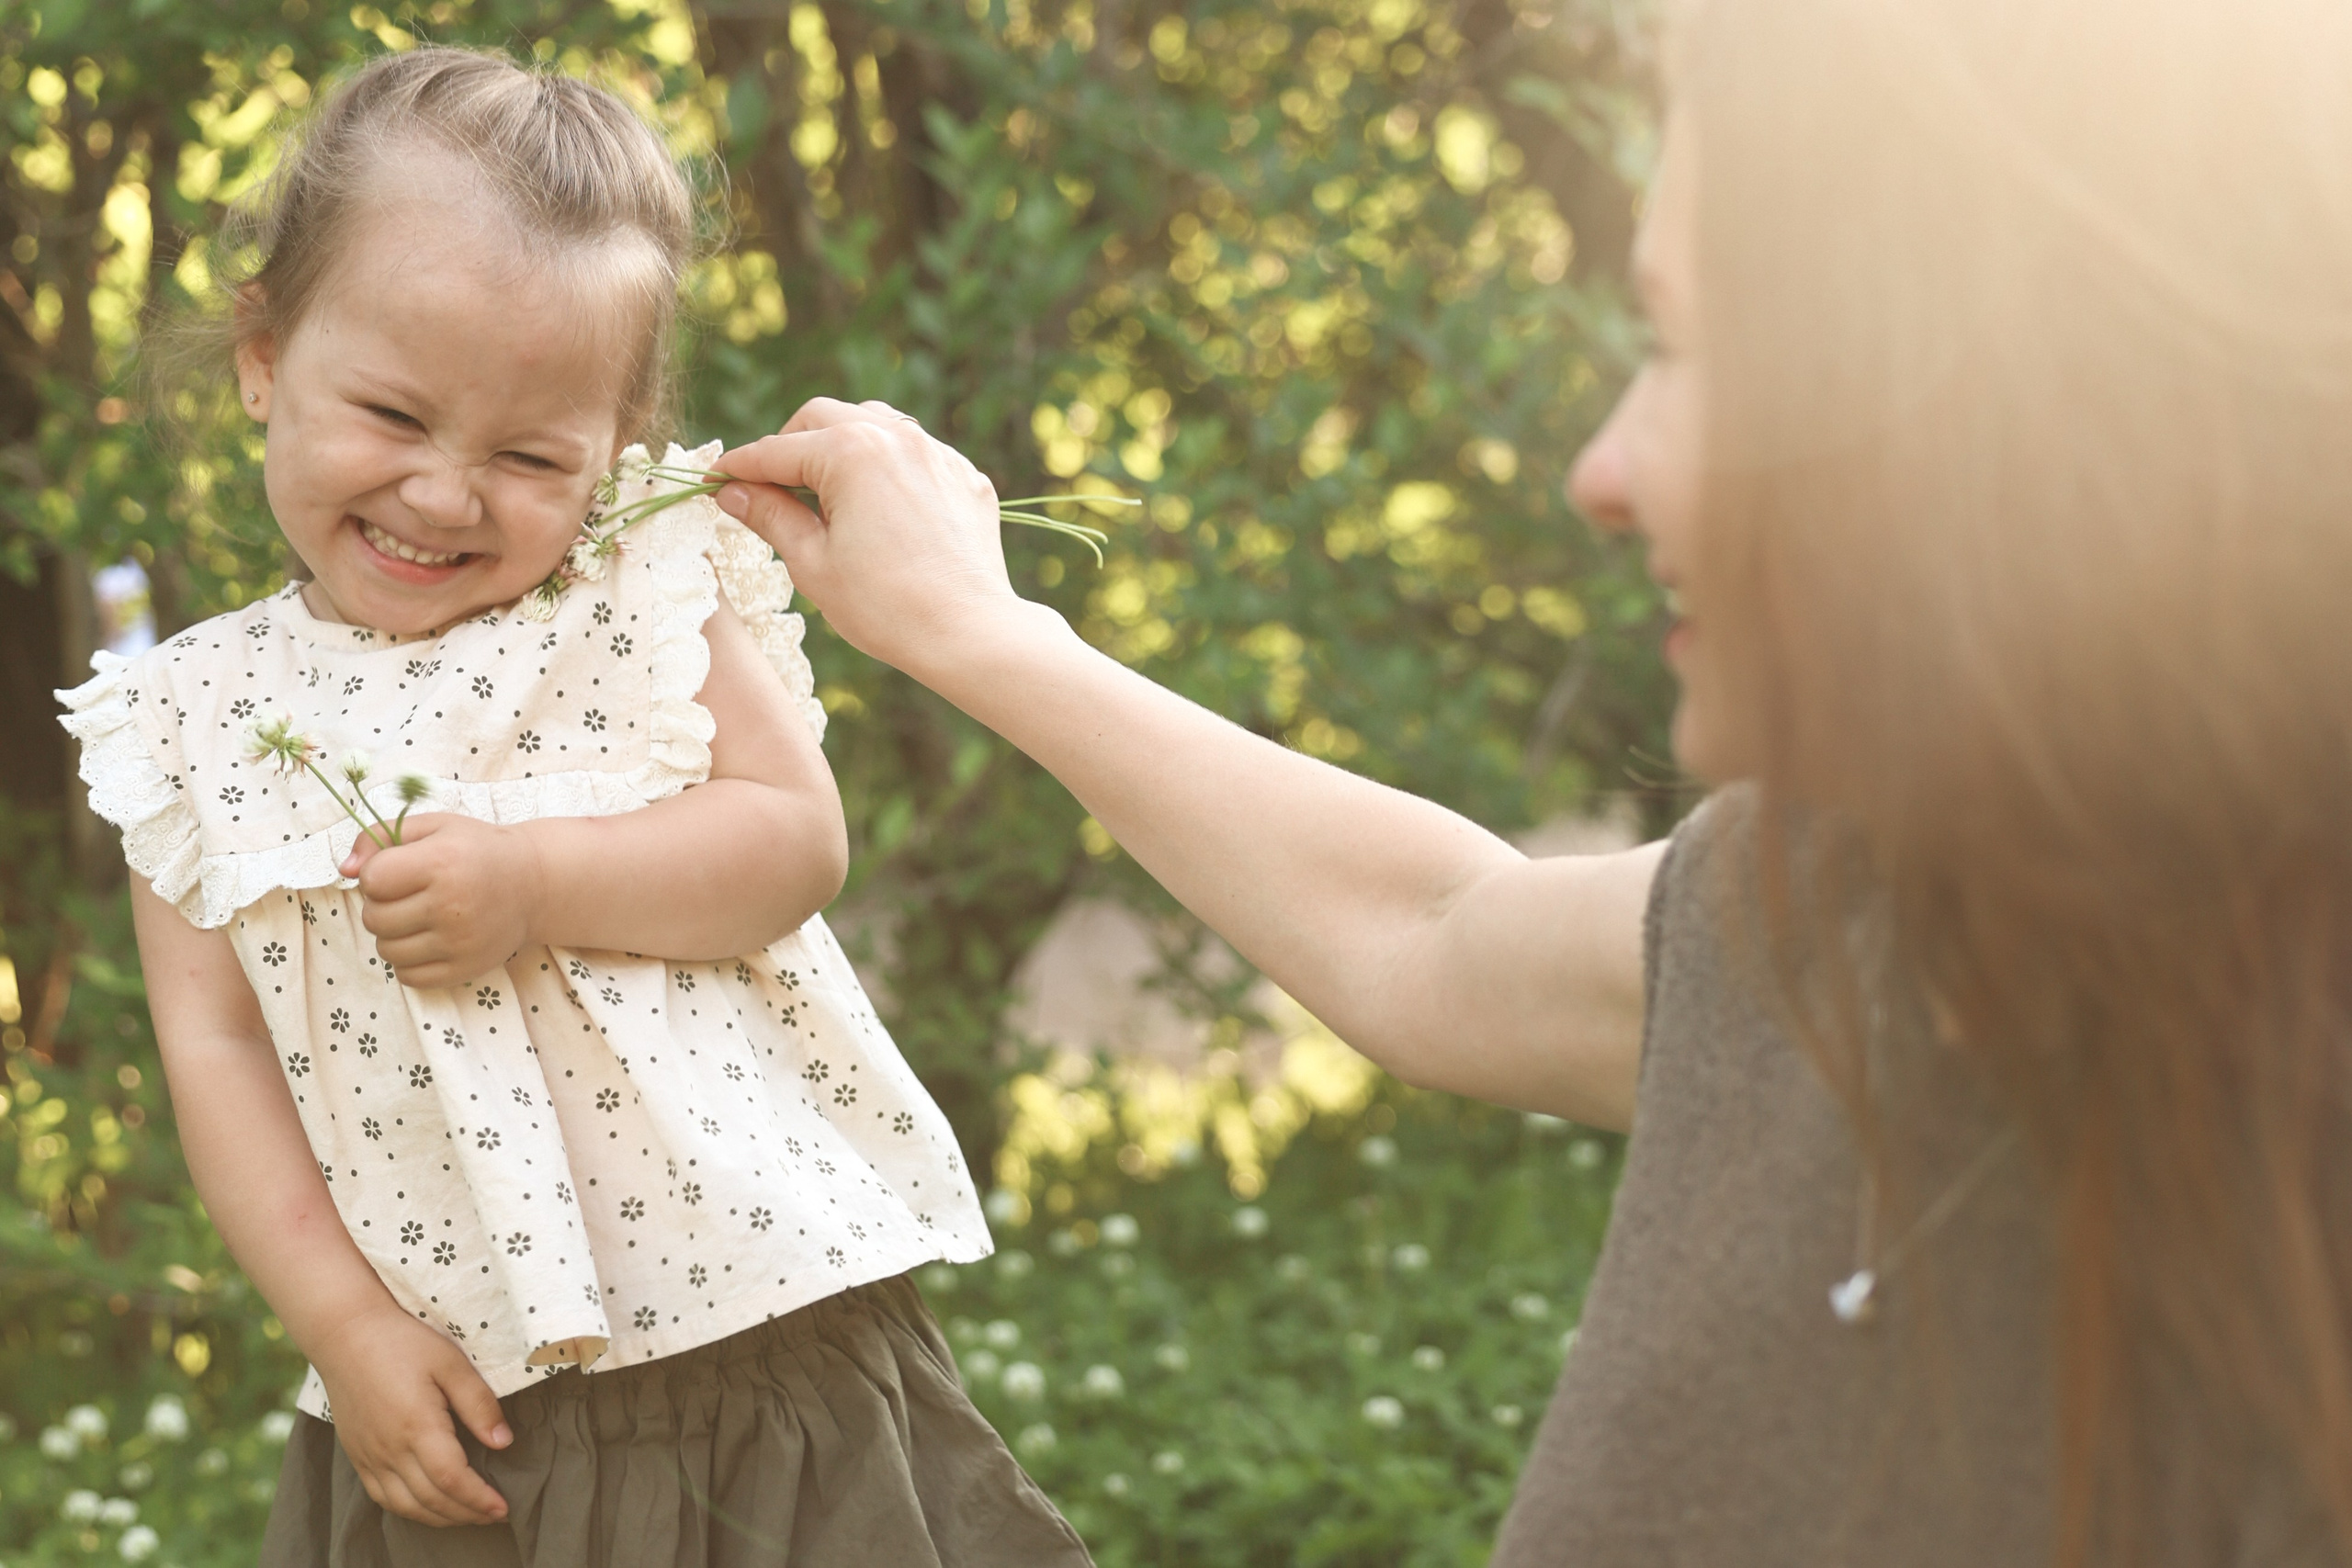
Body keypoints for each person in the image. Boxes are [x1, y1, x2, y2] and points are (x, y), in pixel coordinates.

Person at [707, 0, 2352, 1561]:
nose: (1603, 468)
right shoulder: (1819, 905)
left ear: (2033, 416)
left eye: (1698, 348)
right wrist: (984, 636)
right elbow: (1435, 928)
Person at [55, 47, 1091, 1568]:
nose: (447, 495)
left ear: (613, 451)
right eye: (395, 416)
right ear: (264, 355)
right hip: (464, 1404)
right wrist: (339, 1324)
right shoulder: (189, 723)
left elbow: (790, 841)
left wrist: (537, 883)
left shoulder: (635, 600)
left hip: (760, 1343)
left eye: (531, 455)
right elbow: (214, 1044)